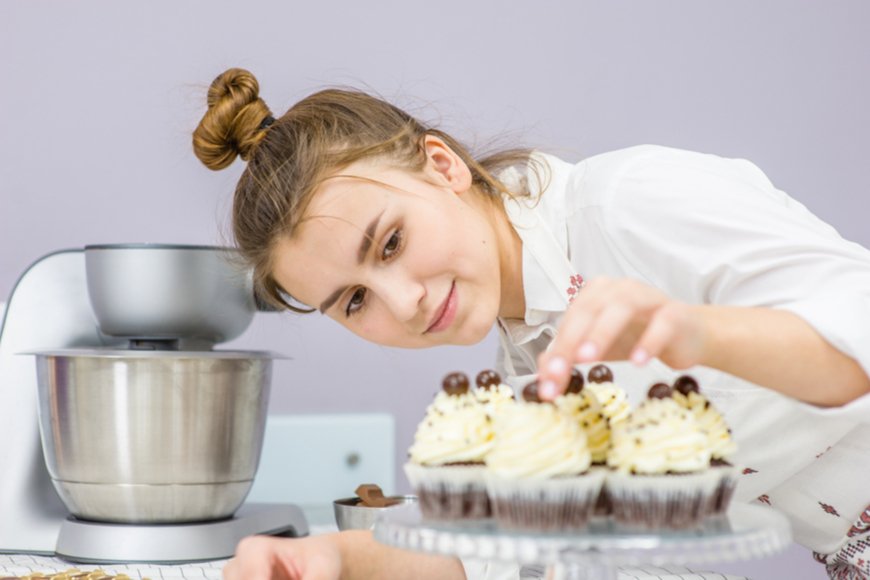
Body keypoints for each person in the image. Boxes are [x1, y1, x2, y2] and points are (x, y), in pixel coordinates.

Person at [192, 68, 870, 580]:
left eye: (391, 242)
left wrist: (696, 334)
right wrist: (330, 556)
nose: (405, 304)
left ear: (443, 165)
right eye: (354, 301)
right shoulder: (524, 364)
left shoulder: (628, 204)